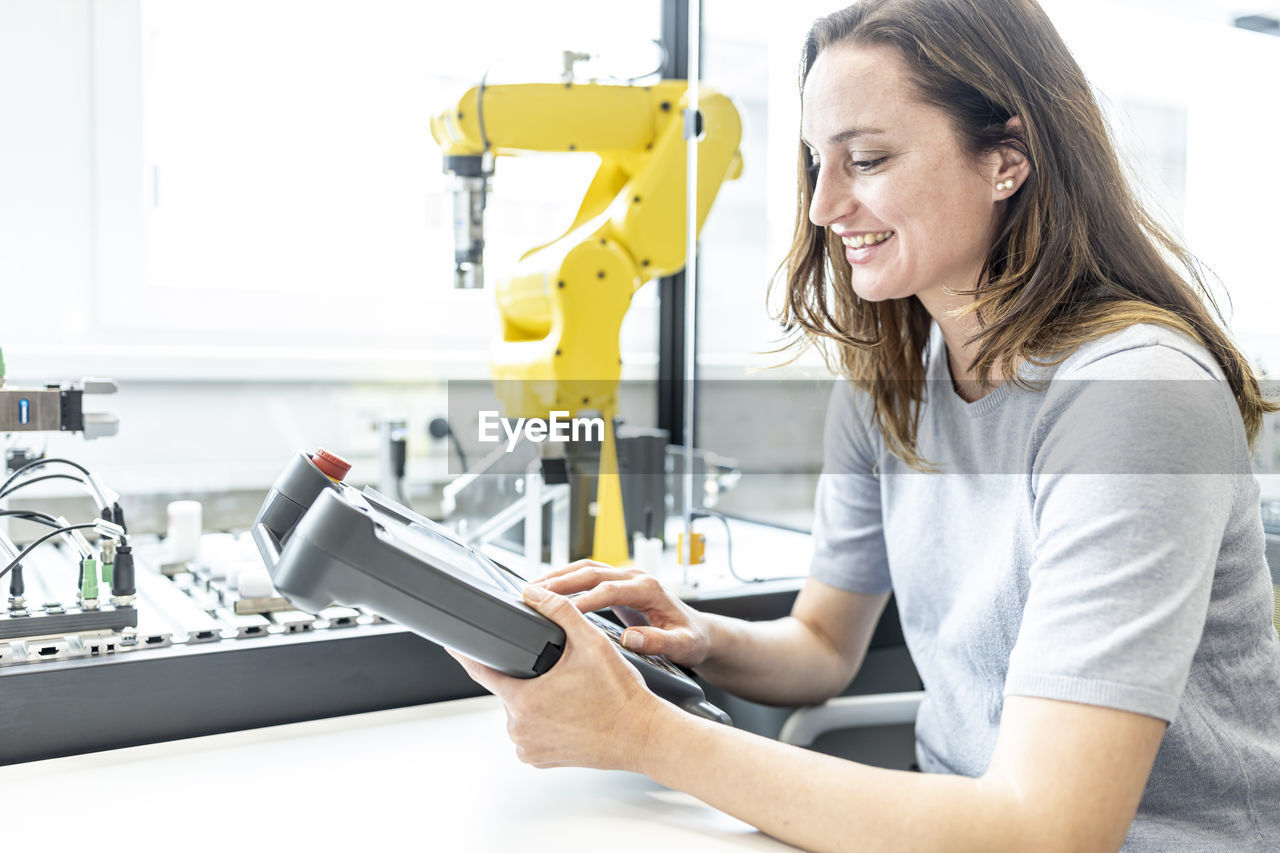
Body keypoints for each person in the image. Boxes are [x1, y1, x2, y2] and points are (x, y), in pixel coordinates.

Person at [449, 0, 1280, 849]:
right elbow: (821, 644)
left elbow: (1050, 829)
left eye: (868, 160)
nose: (822, 206)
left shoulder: (1136, 395)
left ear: (1008, 156)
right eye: (817, 162)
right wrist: (699, 637)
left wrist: (639, 731)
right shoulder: (889, 386)